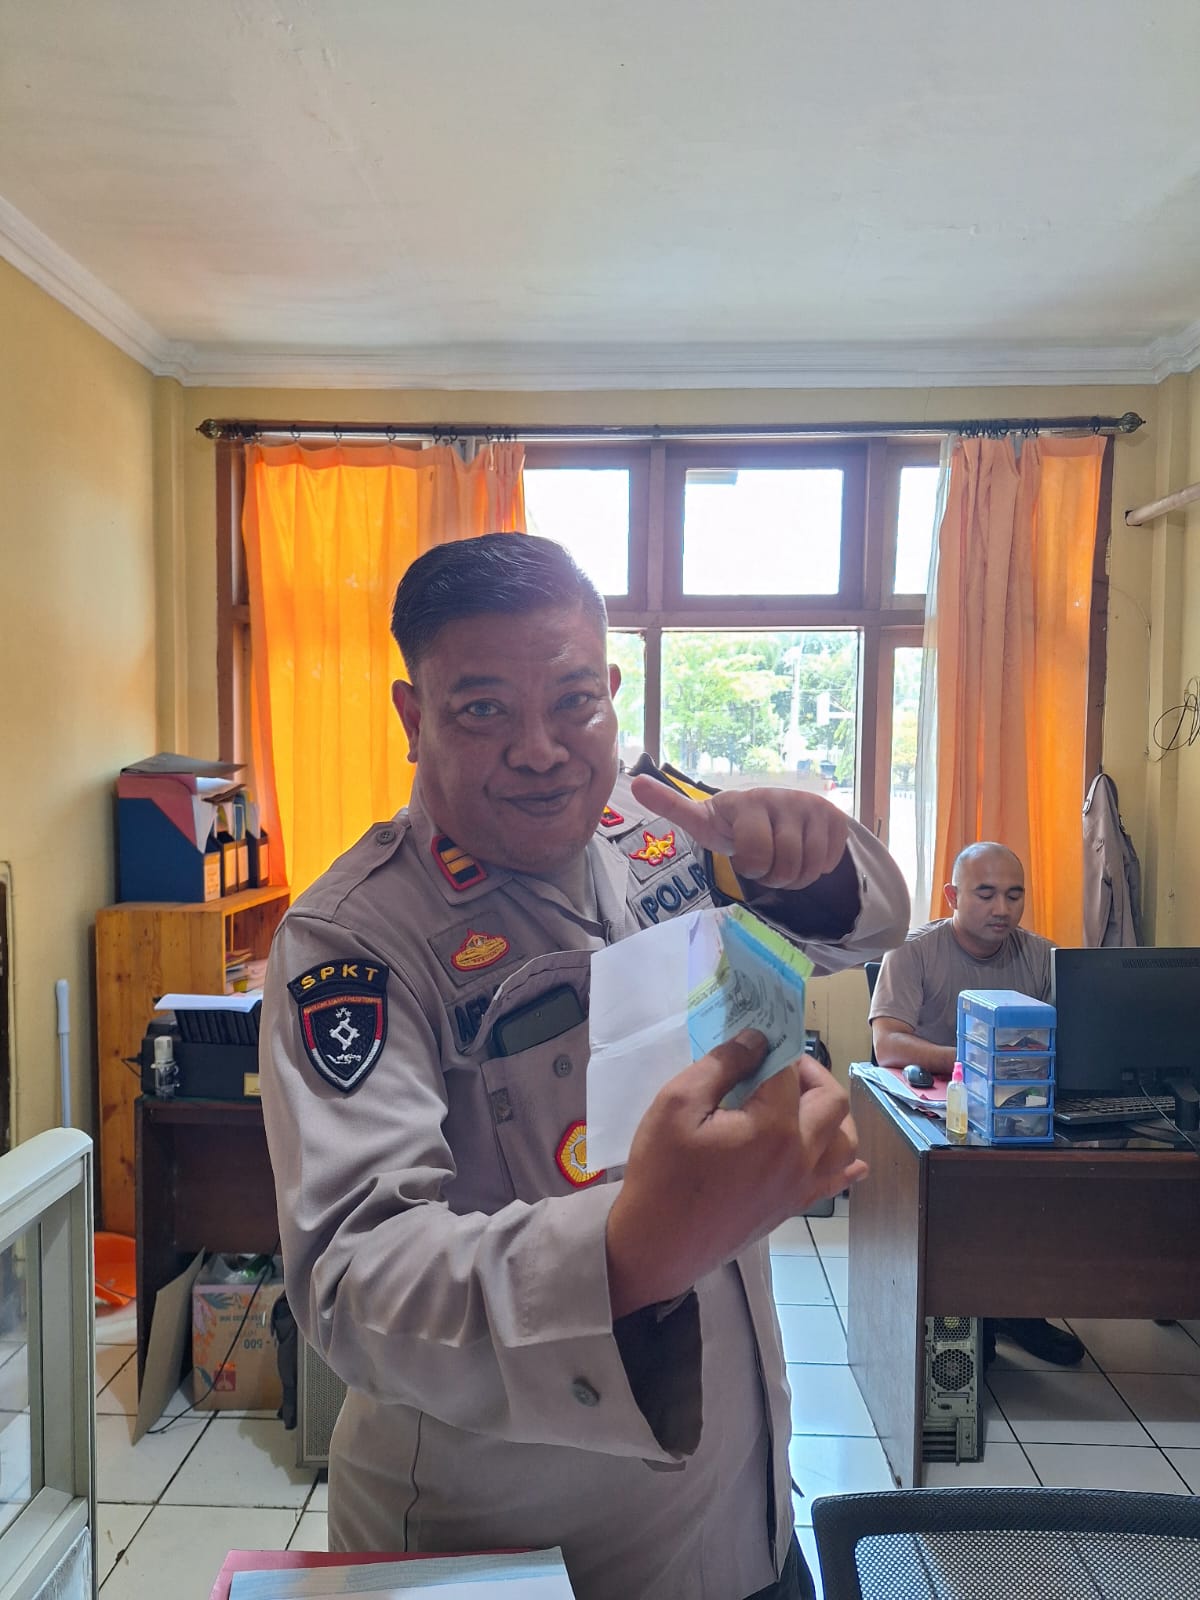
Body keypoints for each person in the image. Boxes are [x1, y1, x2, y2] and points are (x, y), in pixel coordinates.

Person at [259, 533, 910, 1600]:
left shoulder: (659, 824)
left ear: (610, 691)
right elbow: (353, 1281)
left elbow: (869, 927)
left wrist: (807, 859)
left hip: (745, 1506)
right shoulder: (354, 939)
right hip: (511, 1545)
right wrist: (626, 1251)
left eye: (572, 702)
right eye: (483, 709)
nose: (541, 750)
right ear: (413, 717)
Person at [869, 841, 1086, 1368]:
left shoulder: (1043, 957)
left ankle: (1016, 1308)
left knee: (1059, 1183)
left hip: (1020, 1112)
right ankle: (964, 1307)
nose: (1002, 909)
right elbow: (888, 1045)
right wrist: (978, 1060)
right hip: (938, 1115)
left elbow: (1076, 1042)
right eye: (985, 894)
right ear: (952, 896)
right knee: (967, 1193)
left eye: (1014, 895)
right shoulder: (912, 951)